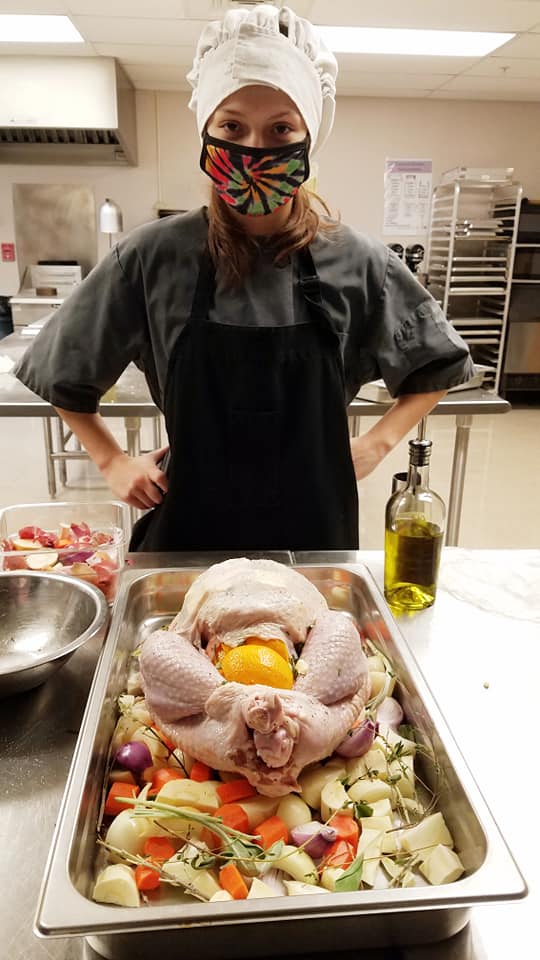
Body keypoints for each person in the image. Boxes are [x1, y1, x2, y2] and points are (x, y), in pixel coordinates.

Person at [15, 3, 473, 552]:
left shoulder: (358, 260)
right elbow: (64, 369)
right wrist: (112, 459)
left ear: (308, 141)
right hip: (189, 528)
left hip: (314, 535)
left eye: (281, 128)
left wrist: (378, 442)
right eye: (232, 126)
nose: (255, 148)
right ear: (206, 134)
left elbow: (436, 363)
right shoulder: (153, 255)